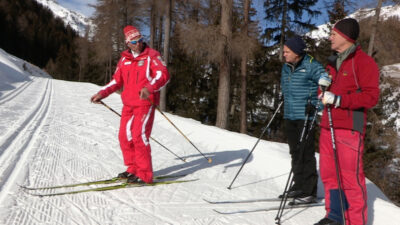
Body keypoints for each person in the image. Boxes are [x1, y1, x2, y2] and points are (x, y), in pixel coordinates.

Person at [315, 18, 380, 225]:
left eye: (333, 34)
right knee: (329, 175)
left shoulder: (364, 62)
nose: (330, 37)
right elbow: (326, 94)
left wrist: (340, 100)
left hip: (350, 129)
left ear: (345, 36)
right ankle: (334, 216)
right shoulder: (332, 61)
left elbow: (371, 97)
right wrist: (323, 89)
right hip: (328, 126)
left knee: (350, 180)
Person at [90, 25, 170, 184]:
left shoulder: (152, 56)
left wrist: (149, 88)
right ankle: (132, 169)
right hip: (128, 104)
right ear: (128, 43)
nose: (138, 44)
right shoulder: (124, 59)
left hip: (145, 104)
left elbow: (163, 75)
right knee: (124, 137)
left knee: (139, 137)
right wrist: (102, 93)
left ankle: (144, 174)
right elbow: (116, 81)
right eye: (134, 42)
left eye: (140, 40)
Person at [280, 35, 328, 205]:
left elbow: (325, 83)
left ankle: (309, 191)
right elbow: (285, 86)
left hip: (305, 116)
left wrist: (317, 107)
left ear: (296, 52)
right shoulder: (286, 67)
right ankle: (299, 184)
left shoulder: (311, 65)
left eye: (287, 51)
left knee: (305, 153)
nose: (284, 54)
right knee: (294, 151)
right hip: (290, 114)